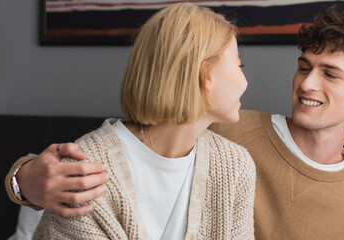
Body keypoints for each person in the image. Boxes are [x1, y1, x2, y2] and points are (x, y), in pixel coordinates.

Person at [6, 6, 344, 239]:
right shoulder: (223, 127)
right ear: (205, 77)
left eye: (330, 74)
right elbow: (130, 144)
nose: (306, 83)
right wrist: (22, 180)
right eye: (304, 67)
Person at [19, 3, 256, 239]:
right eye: (238, 64)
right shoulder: (85, 171)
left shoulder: (234, 166)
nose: (245, 80)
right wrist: (20, 179)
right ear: (207, 76)